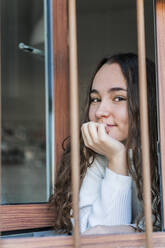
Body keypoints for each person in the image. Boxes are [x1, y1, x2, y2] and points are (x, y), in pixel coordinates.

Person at [51, 53, 161, 234]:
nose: (100, 111)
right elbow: (94, 236)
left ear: (148, 103)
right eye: (95, 99)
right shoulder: (92, 156)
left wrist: (129, 232)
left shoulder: (159, 158)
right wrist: (116, 159)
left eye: (118, 98)